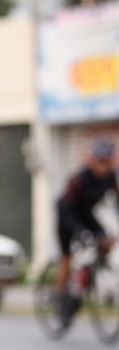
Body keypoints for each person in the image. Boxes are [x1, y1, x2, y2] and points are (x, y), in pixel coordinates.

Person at [54, 136, 119, 319]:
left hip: (87, 215)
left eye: (107, 161)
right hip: (67, 216)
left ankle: (88, 275)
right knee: (68, 256)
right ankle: (61, 296)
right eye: (100, 161)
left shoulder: (111, 178)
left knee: (103, 241)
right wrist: (78, 231)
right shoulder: (80, 179)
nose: (103, 166)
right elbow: (66, 206)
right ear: (93, 160)